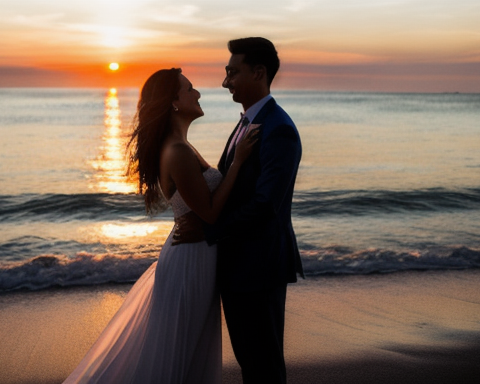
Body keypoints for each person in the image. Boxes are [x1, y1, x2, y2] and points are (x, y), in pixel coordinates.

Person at [62, 68, 257, 384]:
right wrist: (238, 163)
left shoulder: (181, 145)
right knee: (178, 352)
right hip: (189, 263)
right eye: (190, 89)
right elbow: (208, 213)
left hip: (197, 254)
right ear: (174, 103)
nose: (198, 93)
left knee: (189, 351)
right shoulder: (177, 151)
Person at [207, 37, 304, 384]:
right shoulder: (246, 123)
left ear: (258, 72)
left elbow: (265, 205)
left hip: (259, 266)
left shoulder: (279, 130)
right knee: (250, 361)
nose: (225, 82)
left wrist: (210, 232)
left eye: (232, 73)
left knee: (264, 365)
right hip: (238, 265)